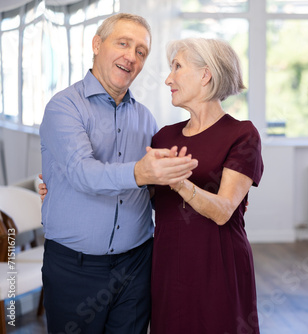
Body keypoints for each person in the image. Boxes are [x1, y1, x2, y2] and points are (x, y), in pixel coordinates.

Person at [39, 13, 197, 333]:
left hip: (136, 266)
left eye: (141, 51)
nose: (131, 56)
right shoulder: (64, 107)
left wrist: (208, 194)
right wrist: (141, 172)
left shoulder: (145, 119)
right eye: (123, 43)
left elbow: (154, 191)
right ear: (97, 45)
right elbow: (83, 173)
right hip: (74, 269)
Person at [148, 37, 263, 333]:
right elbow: (138, 198)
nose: (168, 79)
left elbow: (224, 210)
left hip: (218, 265)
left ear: (205, 74)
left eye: (177, 67)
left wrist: (180, 183)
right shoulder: (163, 137)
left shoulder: (241, 134)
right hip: (167, 265)